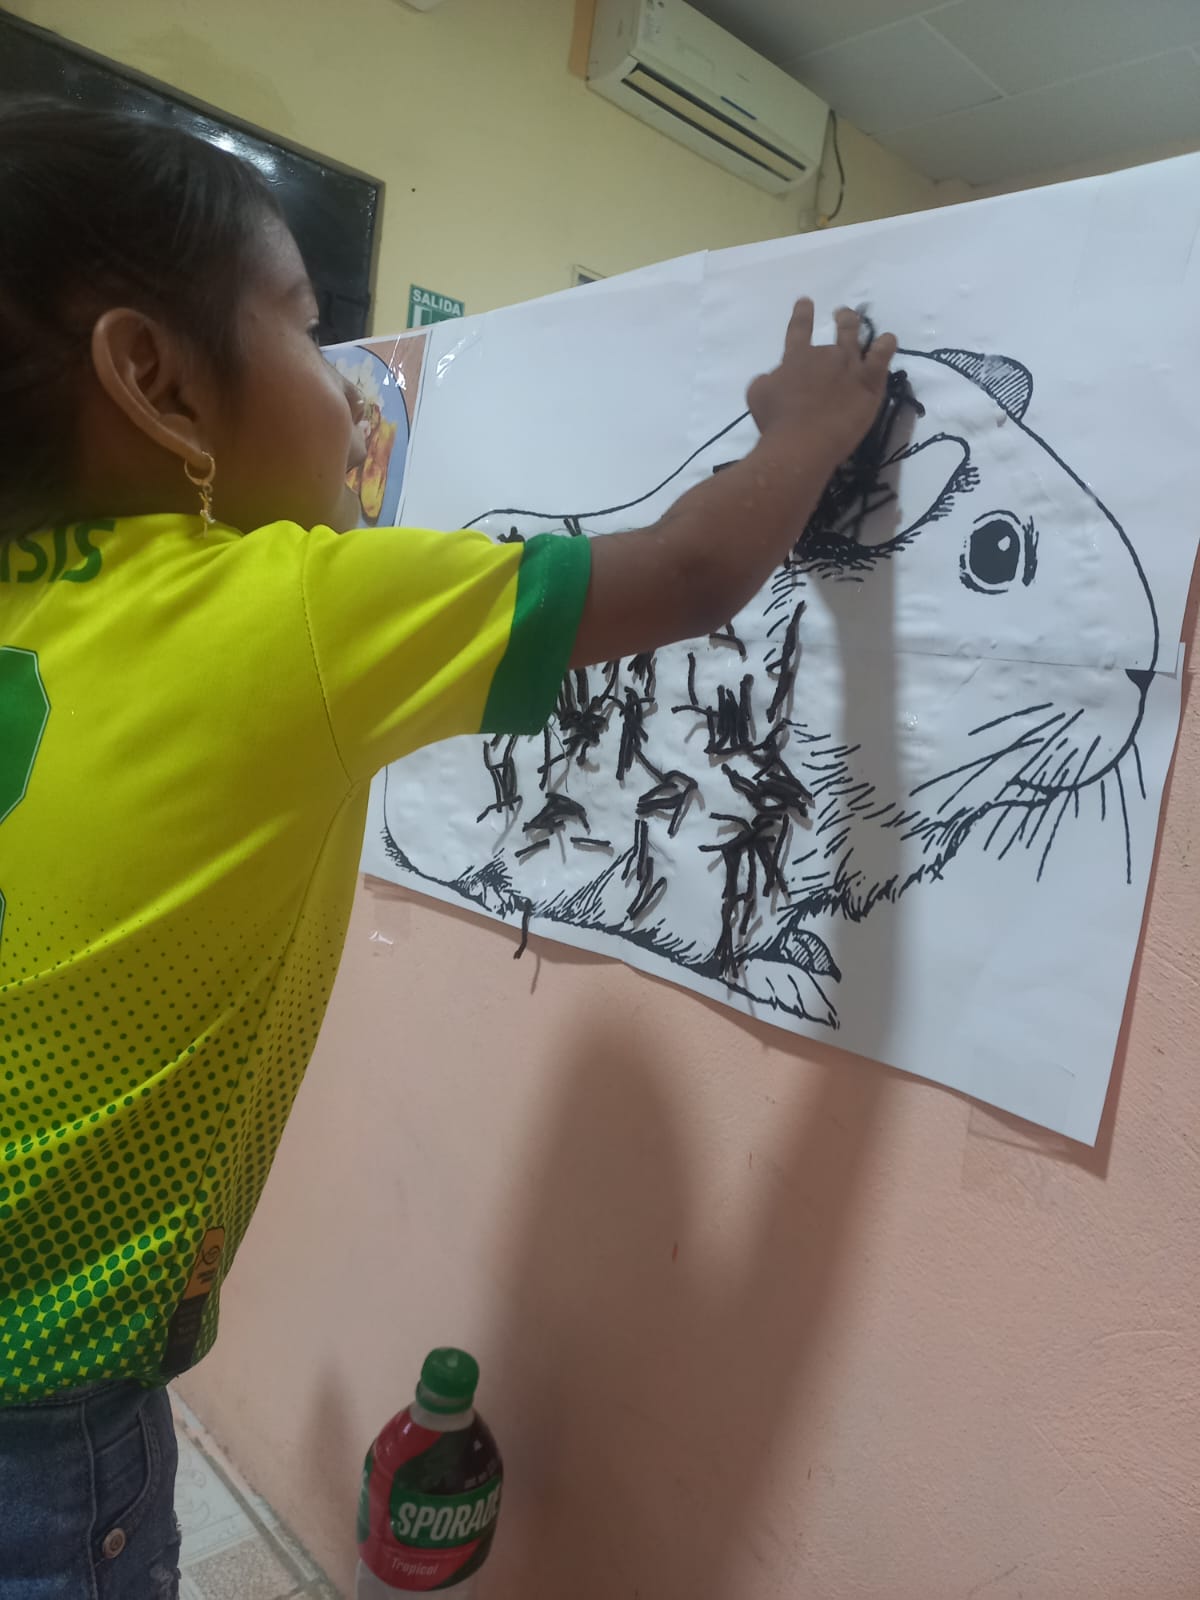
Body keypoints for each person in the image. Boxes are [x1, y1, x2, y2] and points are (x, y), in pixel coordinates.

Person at [0, 100, 895, 1596]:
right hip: (47, 1410)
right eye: (310, 332)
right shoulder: (288, 611)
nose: (357, 399)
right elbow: (690, 571)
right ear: (157, 380)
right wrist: (808, 430)